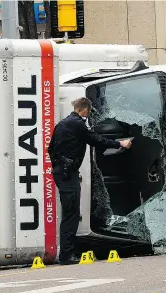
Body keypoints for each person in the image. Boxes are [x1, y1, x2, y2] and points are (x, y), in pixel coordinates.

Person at [48, 97, 132, 265]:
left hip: (62, 172)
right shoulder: (77, 124)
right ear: (85, 110)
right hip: (67, 174)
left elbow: (50, 149)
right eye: (88, 112)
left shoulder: (62, 124)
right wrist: (119, 143)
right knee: (71, 214)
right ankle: (66, 255)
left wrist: (61, 165)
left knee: (70, 212)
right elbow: (97, 140)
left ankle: (67, 253)